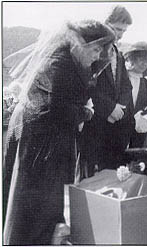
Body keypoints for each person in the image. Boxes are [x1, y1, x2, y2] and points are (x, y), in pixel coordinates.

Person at [3, 20, 115, 245]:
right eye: (94, 50)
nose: (96, 56)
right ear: (79, 43)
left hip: (46, 138)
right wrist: (86, 113)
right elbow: (58, 109)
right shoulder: (60, 63)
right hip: (39, 141)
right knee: (35, 197)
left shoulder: (70, 60)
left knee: (44, 198)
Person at [80, 6, 134, 178]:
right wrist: (110, 108)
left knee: (112, 177)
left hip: (115, 127)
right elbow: (87, 85)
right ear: (106, 24)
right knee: (92, 177)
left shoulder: (118, 53)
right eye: (117, 29)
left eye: (124, 31)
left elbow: (126, 86)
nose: (120, 35)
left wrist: (120, 109)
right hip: (95, 125)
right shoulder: (94, 50)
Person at [123, 41, 147, 148]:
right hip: (116, 132)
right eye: (141, 59)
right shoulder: (121, 79)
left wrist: (146, 113)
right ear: (132, 58)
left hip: (138, 134)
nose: (144, 63)